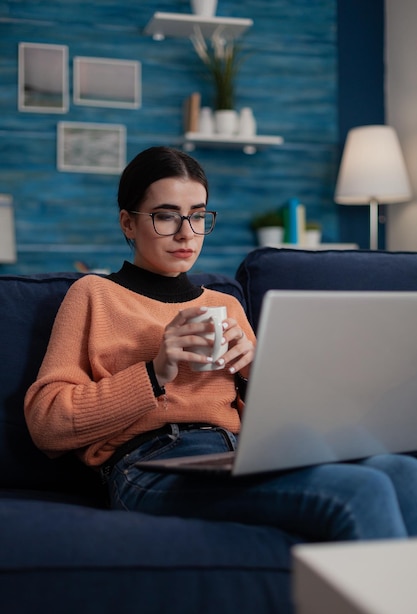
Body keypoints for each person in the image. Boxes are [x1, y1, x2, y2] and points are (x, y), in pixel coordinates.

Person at [24, 146, 417, 541]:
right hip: (151, 466)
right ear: (128, 223)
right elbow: (47, 423)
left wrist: (253, 372)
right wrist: (154, 372)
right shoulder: (94, 294)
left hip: (236, 455)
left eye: (197, 216)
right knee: (361, 490)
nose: (186, 233)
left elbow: (283, 422)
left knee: (402, 471)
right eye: (166, 216)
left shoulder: (223, 305)